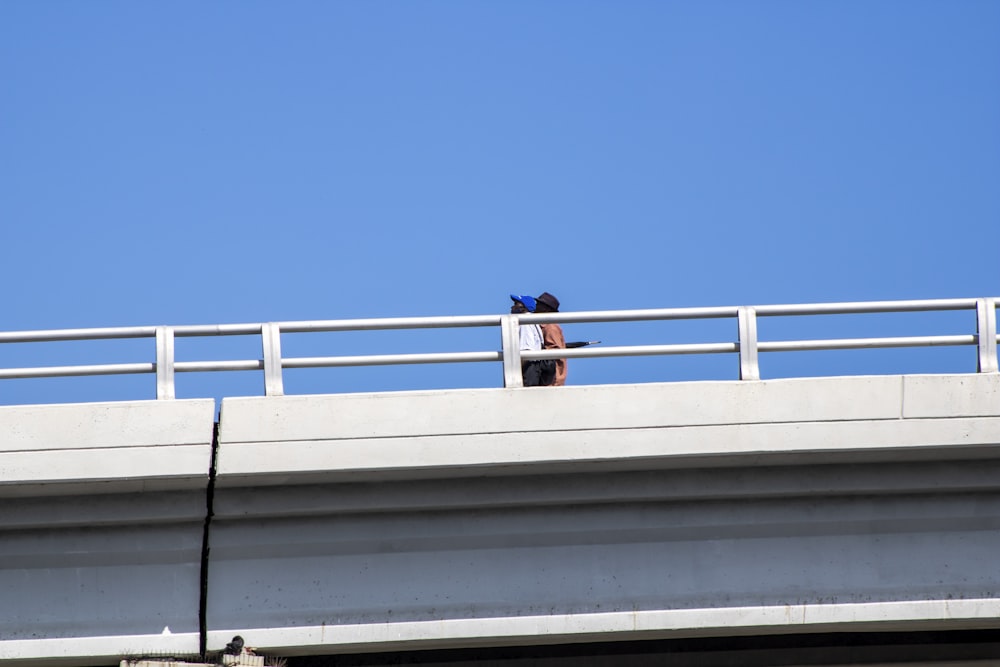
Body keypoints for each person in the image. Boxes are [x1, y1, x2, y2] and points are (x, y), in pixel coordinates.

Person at [510, 294, 555, 387]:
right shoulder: (533, 322)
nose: (512, 307)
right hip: (534, 369)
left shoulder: (524, 323)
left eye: (516, 304)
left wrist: (514, 373)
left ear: (524, 307)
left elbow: (526, 351)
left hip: (528, 369)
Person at [534, 292, 567, 386]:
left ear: (546, 309)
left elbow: (555, 351)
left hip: (552, 379)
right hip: (549, 377)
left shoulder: (550, 326)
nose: (536, 307)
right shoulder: (545, 326)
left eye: (539, 304)